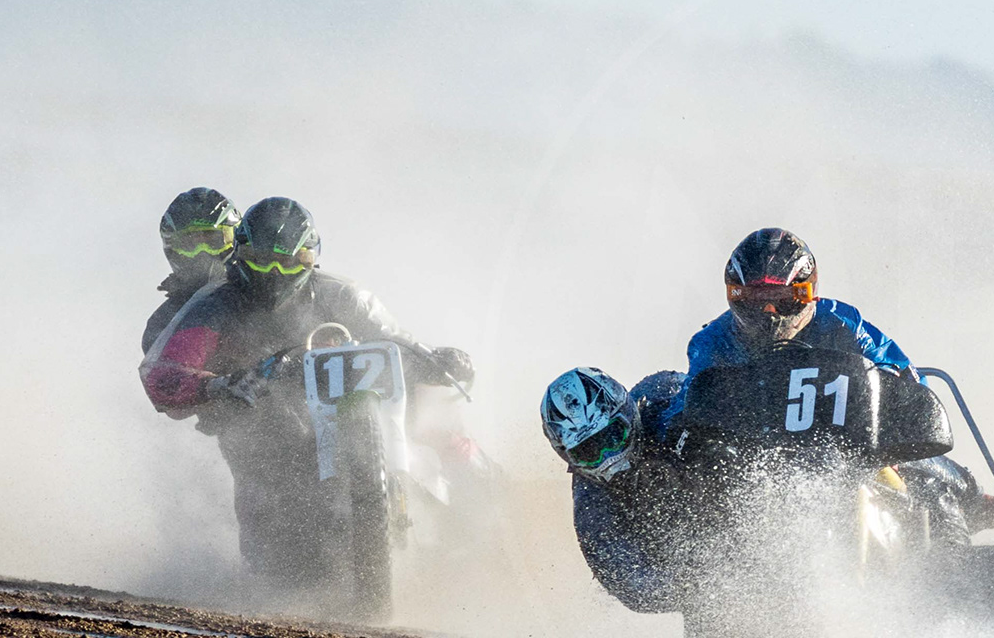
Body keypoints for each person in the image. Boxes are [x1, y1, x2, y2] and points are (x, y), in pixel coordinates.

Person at [141, 197, 473, 599]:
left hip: (349, 411)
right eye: (263, 260)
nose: (276, 271)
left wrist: (436, 358)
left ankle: (467, 515)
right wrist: (221, 385)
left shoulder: (344, 295)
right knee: (277, 583)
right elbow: (164, 374)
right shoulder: (211, 307)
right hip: (260, 437)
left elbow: (394, 338)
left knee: (438, 428)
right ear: (242, 255)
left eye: (291, 259)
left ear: (312, 256)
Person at [664, 227, 994, 536]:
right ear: (735, 295)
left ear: (807, 293)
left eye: (783, 300)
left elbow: (903, 374)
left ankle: (971, 501)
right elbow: (693, 403)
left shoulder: (844, 322)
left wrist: (893, 425)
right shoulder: (711, 342)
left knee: (917, 469)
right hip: (758, 455)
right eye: (757, 300)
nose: (769, 313)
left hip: (848, 442)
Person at [540, 366, 688, 613]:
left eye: (613, 436)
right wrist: (701, 585)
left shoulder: (664, 395)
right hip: (683, 561)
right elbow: (633, 587)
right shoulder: (591, 505)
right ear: (569, 457)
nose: (609, 457)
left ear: (628, 414)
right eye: (588, 452)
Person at [144, 187, 241, 353]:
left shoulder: (258, 296)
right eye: (190, 243)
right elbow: (164, 374)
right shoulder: (164, 322)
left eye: (213, 239)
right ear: (172, 247)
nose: (203, 251)